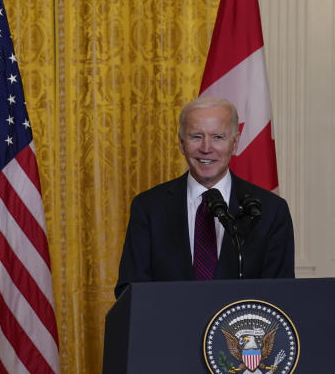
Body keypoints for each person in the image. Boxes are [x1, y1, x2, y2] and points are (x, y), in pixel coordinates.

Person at [115, 96, 294, 298]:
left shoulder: (270, 210)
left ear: (235, 144)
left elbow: (282, 295)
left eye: (218, 137)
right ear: (182, 144)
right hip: (170, 327)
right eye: (196, 136)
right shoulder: (148, 207)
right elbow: (130, 291)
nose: (206, 148)